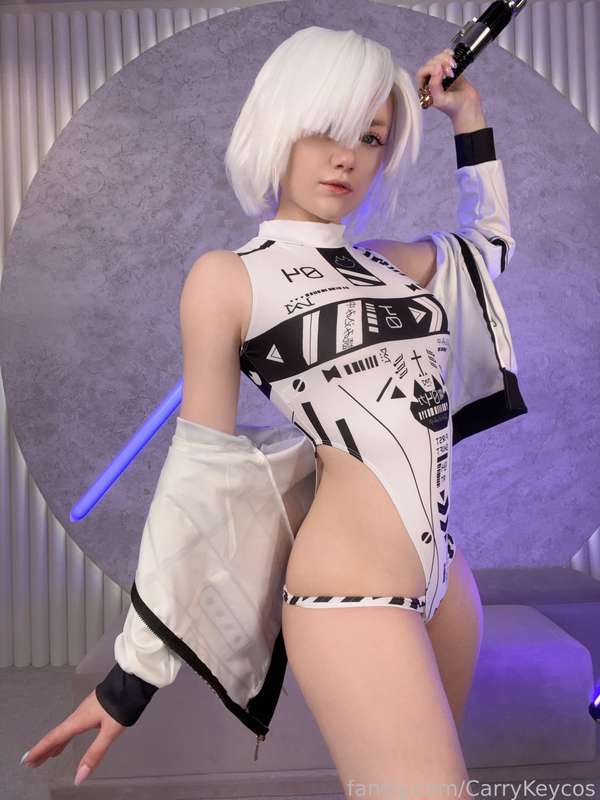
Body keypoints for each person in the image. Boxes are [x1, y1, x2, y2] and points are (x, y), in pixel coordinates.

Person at [20, 26, 518, 796]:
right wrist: (132, 677)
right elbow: (198, 478)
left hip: (449, 583)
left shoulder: (391, 263)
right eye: (326, 129)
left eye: (371, 137)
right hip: (350, 590)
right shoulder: (229, 279)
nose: (346, 156)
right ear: (280, 123)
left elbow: (487, 252)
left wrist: (468, 115)